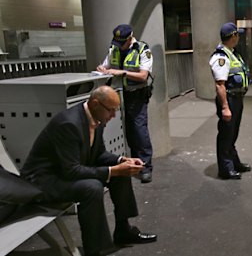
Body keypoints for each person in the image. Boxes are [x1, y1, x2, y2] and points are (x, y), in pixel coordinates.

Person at [20, 86, 157, 256]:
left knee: (121, 174)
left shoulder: (97, 119)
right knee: (91, 188)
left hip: (63, 173)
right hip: (41, 182)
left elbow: (98, 154)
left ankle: (123, 230)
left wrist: (121, 161)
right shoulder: (69, 124)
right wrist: (113, 170)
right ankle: (97, 249)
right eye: (111, 110)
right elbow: (71, 171)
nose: (113, 115)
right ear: (95, 103)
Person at [96, 24, 154, 183]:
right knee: (127, 130)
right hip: (118, 95)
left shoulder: (142, 49)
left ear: (130, 39)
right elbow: (105, 66)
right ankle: (133, 163)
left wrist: (121, 72)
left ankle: (146, 167)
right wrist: (102, 69)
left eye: (122, 42)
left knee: (139, 129)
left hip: (137, 95)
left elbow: (143, 76)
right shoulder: (114, 49)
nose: (119, 46)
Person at [209, 22, 252, 179]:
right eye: (237, 34)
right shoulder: (221, 57)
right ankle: (226, 169)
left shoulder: (232, 53)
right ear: (233, 36)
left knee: (232, 134)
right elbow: (220, 85)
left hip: (237, 99)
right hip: (229, 100)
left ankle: (234, 162)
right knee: (226, 135)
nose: (239, 37)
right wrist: (225, 107)